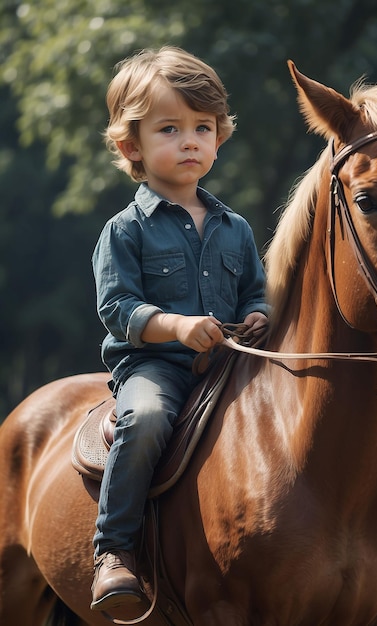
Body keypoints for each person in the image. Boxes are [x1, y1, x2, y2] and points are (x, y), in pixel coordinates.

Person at [90, 46, 268, 614]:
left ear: (220, 137)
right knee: (143, 420)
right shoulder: (124, 230)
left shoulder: (235, 228)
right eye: (170, 128)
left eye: (203, 127)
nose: (190, 141)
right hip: (155, 366)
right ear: (130, 146)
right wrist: (176, 325)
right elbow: (117, 307)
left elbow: (254, 293)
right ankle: (114, 549)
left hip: (229, 362)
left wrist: (260, 314)